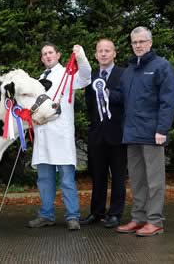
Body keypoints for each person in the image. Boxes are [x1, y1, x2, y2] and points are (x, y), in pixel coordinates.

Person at [111, 26, 174, 236]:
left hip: (152, 134)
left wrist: (162, 129)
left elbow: (169, 101)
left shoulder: (162, 66)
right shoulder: (129, 70)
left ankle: (155, 220)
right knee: (138, 179)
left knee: (155, 181)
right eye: (134, 42)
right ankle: (139, 218)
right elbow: (121, 98)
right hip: (132, 134)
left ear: (150, 43)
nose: (138, 45)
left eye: (141, 41)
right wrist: (104, 91)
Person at [28, 42, 91, 230]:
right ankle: (46, 215)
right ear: (42, 58)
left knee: (66, 179)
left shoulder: (67, 74)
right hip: (43, 136)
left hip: (61, 135)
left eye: (50, 53)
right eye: (44, 54)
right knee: (44, 179)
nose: (47, 56)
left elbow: (86, 77)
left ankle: (72, 216)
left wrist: (80, 56)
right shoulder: (38, 80)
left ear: (58, 55)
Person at [80, 39, 127, 228]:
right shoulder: (90, 77)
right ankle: (96, 212)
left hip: (118, 133)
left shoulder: (124, 74)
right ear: (95, 55)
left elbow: (125, 99)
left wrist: (108, 93)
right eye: (100, 51)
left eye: (108, 50)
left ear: (114, 53)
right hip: (97, 135)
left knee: (118, 177)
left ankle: (115, 213)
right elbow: (89, 105)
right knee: (97, 176)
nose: (104, 54)